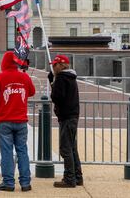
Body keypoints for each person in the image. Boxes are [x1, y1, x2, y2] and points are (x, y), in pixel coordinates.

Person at [0, 51, 36, 192]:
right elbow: (32, 92)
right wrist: (24, 76)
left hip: (4, 120)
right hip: (21, 120)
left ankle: (8, 182)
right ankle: (25, 182)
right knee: (22, 151)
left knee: (7, 152)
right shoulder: (23, 77)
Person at [48, 54, 82, 188]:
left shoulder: (62, 78)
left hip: (67, 117)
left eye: (55, 65)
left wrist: (53, 82)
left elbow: (57, 97)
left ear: (61, 65)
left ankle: (69, 178)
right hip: (72, 115)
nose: (53, 67)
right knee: (72, 148)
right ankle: (77, 176)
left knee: (65, 149)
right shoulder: (71, 77)